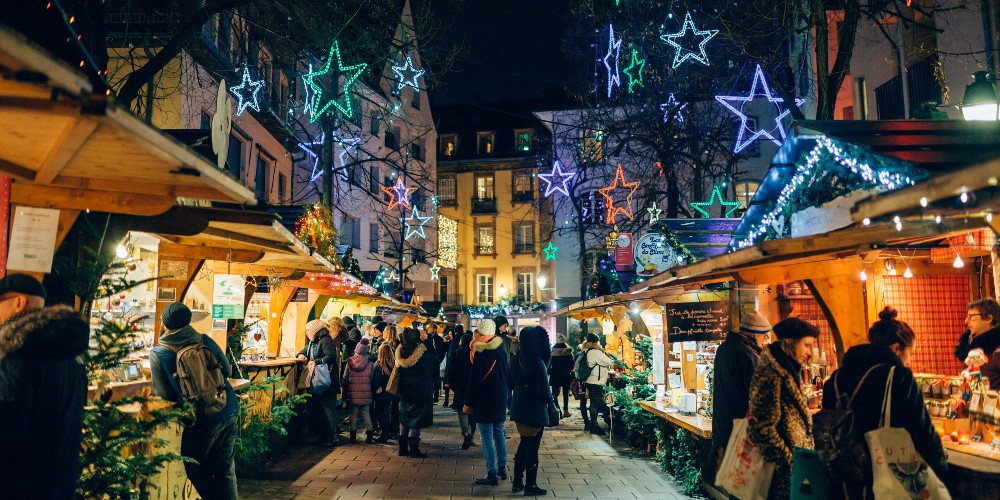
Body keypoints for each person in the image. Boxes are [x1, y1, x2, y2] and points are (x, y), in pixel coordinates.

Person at [823, 307, 948, 499]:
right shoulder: (898, 377)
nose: (909, 361)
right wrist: (940, 463)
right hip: (886, 482)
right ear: (896, 348)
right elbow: (922, 431)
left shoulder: (835, 379)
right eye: (910, 353)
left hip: (846, 481)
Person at [0, 274, 89, 500]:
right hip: (58, 487)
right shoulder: (73, 359)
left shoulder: (16, 354)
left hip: (17, 488)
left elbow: (8, 430)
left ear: (18, 302)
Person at [151, 302, 239, 500]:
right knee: (225, 469)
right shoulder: (204, 340)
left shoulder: (159, 353)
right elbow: (226, 370)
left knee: (194, 467)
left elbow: (165, 394)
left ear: (165, 323)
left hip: (200, 417)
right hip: (228, 406)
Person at [747, 317, 819, 499]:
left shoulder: (788, 370)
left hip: (789, 475)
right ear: (789, 343)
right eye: (806, 345)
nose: (810, 352)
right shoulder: (771, 374)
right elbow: (760, 429)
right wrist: (789, 463)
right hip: (778, 479)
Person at [707, 309, 770, 483]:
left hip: (724, 424)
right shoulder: (748, 355)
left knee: (732, 481)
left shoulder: (724, 349)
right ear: (755, 334)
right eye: (764, 336)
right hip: (741, 427)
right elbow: (758, 395)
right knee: (742, 482)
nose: (765, 341)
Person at [465, 319, 513, 485]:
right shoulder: (500, 349)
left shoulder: (480, 351)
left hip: (484, 398)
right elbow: (507, 374)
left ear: (480, 332)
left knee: (486, 435)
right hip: (500, 396)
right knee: (498, 431)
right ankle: (502, 467)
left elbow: (474, 380)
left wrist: (468, 401)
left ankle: (491, 473)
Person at [510, 327, 554, 496]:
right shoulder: (537, 362)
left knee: (524, 442)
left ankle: (517, 481)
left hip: (519, 405)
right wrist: (550, 402)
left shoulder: (514, 360)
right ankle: (530, 484)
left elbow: (509, 382)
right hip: (535, 407)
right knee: (533, 446)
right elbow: (544, 390)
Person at [296, 319, 340, 447]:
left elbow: (331, 356)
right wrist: (301, 355)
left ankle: (331, 436)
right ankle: (324, 436)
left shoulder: (325, 340)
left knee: (327, 409)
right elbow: (303, 351)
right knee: (320, 409)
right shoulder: (313, 341)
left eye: (308, 330)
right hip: (319, 382)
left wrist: (318, 361)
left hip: (327, 381)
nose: (306, 333)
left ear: (314, 331)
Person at [395, 327, 435, 457]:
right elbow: (435, 357)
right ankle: (414, 449)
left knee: (405, 417)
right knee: (417, 419)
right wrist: (426, 341)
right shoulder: (422, 353)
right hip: (420, 390)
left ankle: (402, 448)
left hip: (404, 390)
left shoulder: (400, 352)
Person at [955, 298, 1000, 388]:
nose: (966, 321)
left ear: (988, 319)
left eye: (972, 317)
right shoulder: (972, 345)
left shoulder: (997, 350)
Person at [342, 338, 375, 444]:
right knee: (366, 413)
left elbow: (345, 378)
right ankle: (369, 436)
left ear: (356, 350)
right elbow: (372, 379)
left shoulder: (349, 362)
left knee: (353, 414)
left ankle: (352, 437)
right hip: (366, 393)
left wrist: (344, 397)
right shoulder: (370, 364)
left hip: (352, 394)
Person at [581, 333, 614, 435]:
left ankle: (592, 424)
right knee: (595, 404)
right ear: (594, 343)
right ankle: (594, 425)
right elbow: (609, 362)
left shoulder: (587, 352)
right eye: (597, 342)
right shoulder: (595, 352)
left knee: (594, 404)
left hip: (590, 381)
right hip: (595, 382)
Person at [449, 332, 477, 449]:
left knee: (462, 411)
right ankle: (471, 434)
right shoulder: (475, 354)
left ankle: (465, 432)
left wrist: (453, 386)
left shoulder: (455, 354)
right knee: (472, 412)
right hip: (472, 387)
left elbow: (451, 373)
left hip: (460, 387)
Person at [371, 342, 396, 443]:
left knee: (379, 413)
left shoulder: (378, 365)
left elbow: (376, 380)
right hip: (390, 393)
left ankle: (384, 434)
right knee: (387, 413)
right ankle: (386, 433)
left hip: (380, 394)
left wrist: (376, 387)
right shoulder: (394, 364)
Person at [549, 335, 574, 417]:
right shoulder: (568, 352)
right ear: (564, 341)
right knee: (565, 393)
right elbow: (571, 365)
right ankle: (566, 411)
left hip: (555, 374)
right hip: (565, 374)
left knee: (555, 394)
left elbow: (549, 364)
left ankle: (557, 409)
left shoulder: (552, 351)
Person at [441, 325, 454, 406]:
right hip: (447, 365)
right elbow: (442, 350)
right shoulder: (448, 343)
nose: (450, 336)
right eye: (449, 334)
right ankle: (446, 400)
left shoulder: (455, 342)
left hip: (452, 365)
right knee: (446, 383)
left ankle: (451, 401)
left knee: (451, 383)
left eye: (451, 334)